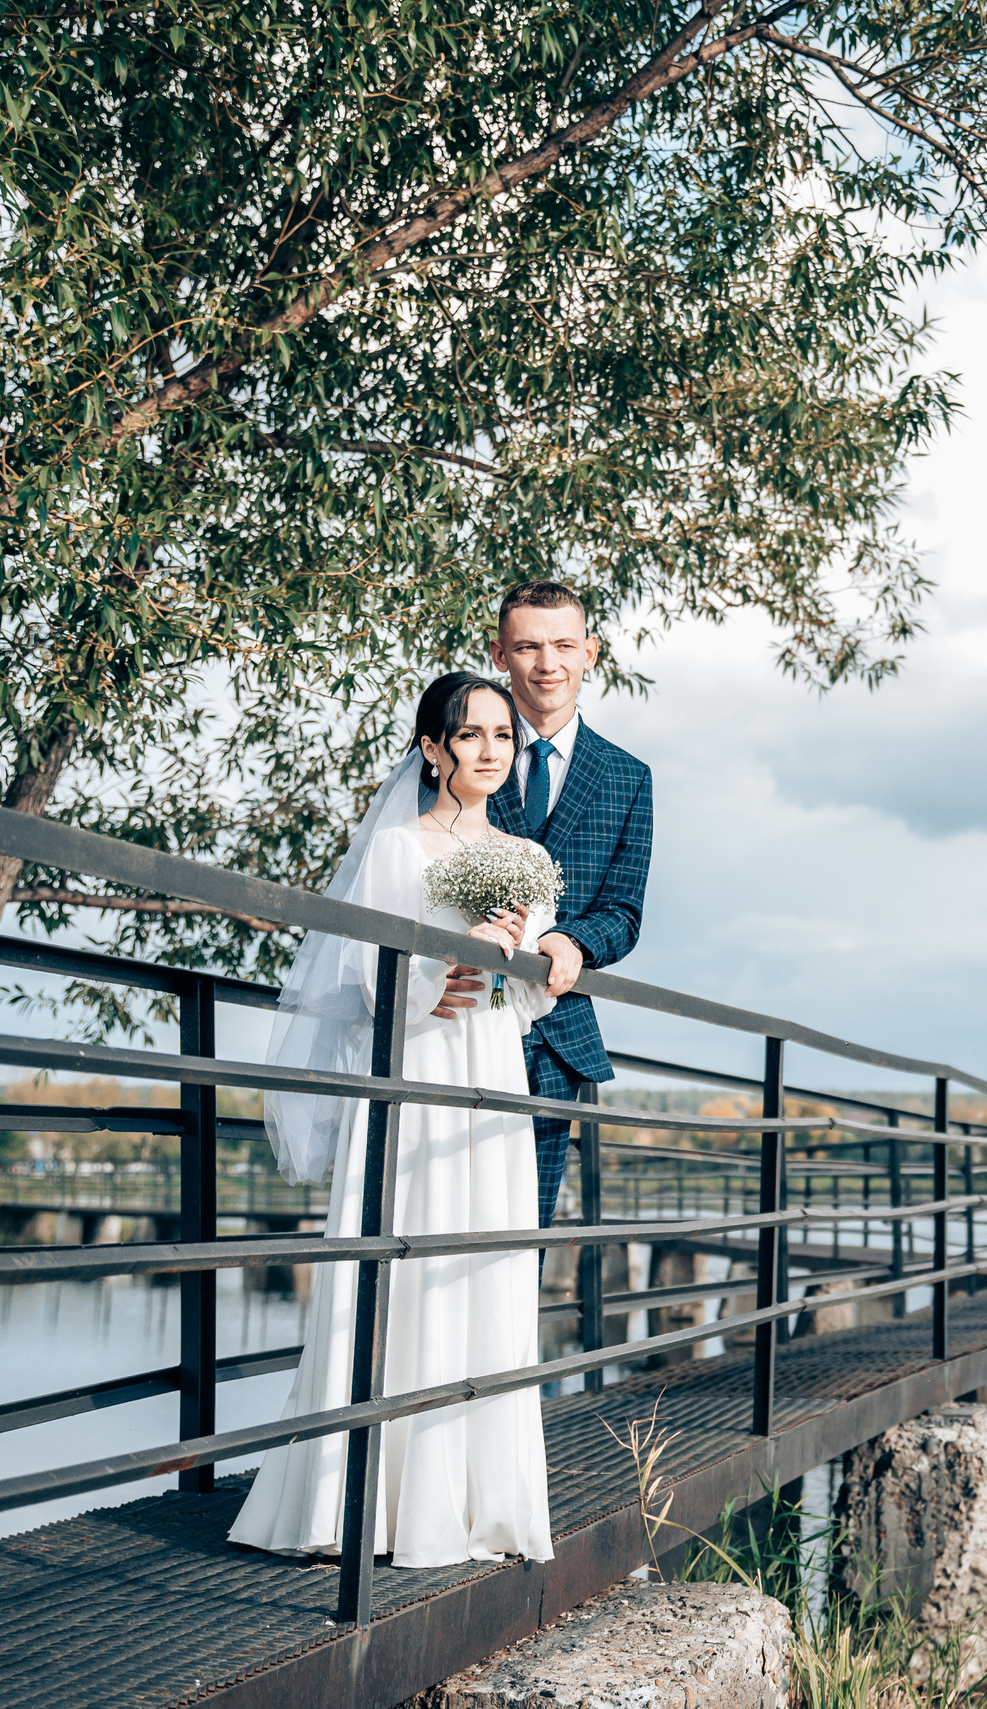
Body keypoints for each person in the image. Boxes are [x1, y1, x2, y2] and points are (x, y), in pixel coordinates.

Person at [229, 672, 558, 1568]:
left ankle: (473, 1501)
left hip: (490, 1071)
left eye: (502, 735)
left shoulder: (524, 859)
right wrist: (438, 979)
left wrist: (522, 966)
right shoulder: (398, 851)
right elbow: (364, 981)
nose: (489, 750)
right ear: (432, 749)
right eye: (470, 735)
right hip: (419, 1067)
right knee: (408, 1250)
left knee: (480, 1258)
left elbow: (524, 1002)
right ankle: (369, 1502)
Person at [464, 580, 652, 1226]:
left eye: (564, 644)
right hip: (455, 1017)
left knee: (525, 1232)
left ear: (591, 651)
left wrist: (574, 940)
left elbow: (624, 911)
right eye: (528, 646)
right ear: (499, 653)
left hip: (556, 1038)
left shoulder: (628, 778)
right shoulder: (459, 750)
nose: (548, 664)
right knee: (438, 1217)